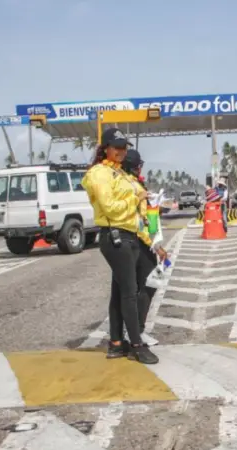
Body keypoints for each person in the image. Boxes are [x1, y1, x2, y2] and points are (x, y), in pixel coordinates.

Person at [81, 128, 158, 364]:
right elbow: (110, 207)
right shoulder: (99, 173)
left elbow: (132, 204)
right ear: (105, 147)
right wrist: (137, 198)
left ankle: (116, 343)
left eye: (124, 147)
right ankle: (137, 344)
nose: (121, 151)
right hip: (115, 235)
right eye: (116, 147)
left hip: (130, 235)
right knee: (130, 293)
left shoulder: (119, 173)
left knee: (120, 292)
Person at [122, 148, 168, 347]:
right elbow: (139, 221)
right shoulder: (133, 185)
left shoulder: (131, 183)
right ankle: (136, 331)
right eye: (140, 164)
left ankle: (135, 330)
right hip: (140, 243)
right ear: (135, 166)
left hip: (136, 241)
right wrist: (156, 246)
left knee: (144, 286)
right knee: (148, 285)